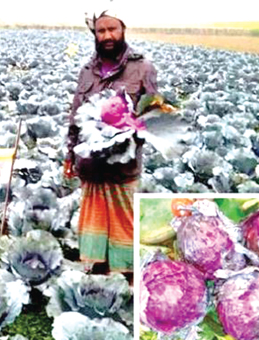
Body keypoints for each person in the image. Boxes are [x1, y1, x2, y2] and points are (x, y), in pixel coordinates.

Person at [66, 9, 158, 281]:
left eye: (112, 29)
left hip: (123, 163)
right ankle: (97, 271)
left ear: (123, 30)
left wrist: (131, 128)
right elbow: (75, 114)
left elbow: (155, 112)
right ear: (95, 34)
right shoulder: (87, 71)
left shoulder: (143, 68)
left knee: (123, 219)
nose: (107, 36)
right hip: (91, 164)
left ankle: (127, 275)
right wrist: (70, 152)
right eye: (101, 31)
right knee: (94, 218)